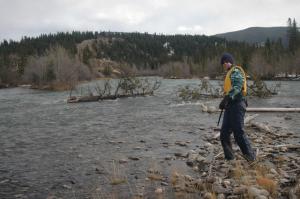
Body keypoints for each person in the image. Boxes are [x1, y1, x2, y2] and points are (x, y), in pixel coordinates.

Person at [219, 53, 256, 162]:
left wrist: (226, 98)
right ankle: (230, 158)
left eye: (224, 63)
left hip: (237, 105)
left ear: (227, 61)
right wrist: (226, 101)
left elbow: (237, 87)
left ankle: (251, 158)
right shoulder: (230, 72)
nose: (223, 65)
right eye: (222, 64)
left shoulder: (235, 71)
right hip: (230, 106)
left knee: (238, 133)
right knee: (224, 133)